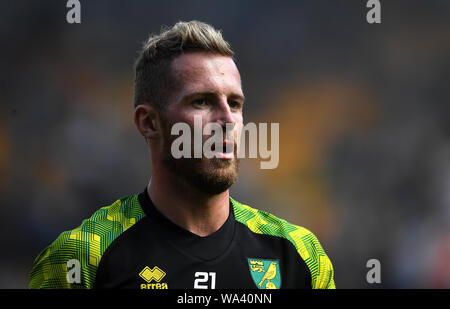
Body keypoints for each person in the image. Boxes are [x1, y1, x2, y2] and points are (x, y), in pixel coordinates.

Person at [29, 20, 335, 289]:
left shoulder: (299, 256)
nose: (228, 120)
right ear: (149, 122)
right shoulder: (82, 260)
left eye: (236, 104)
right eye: (202, 102)